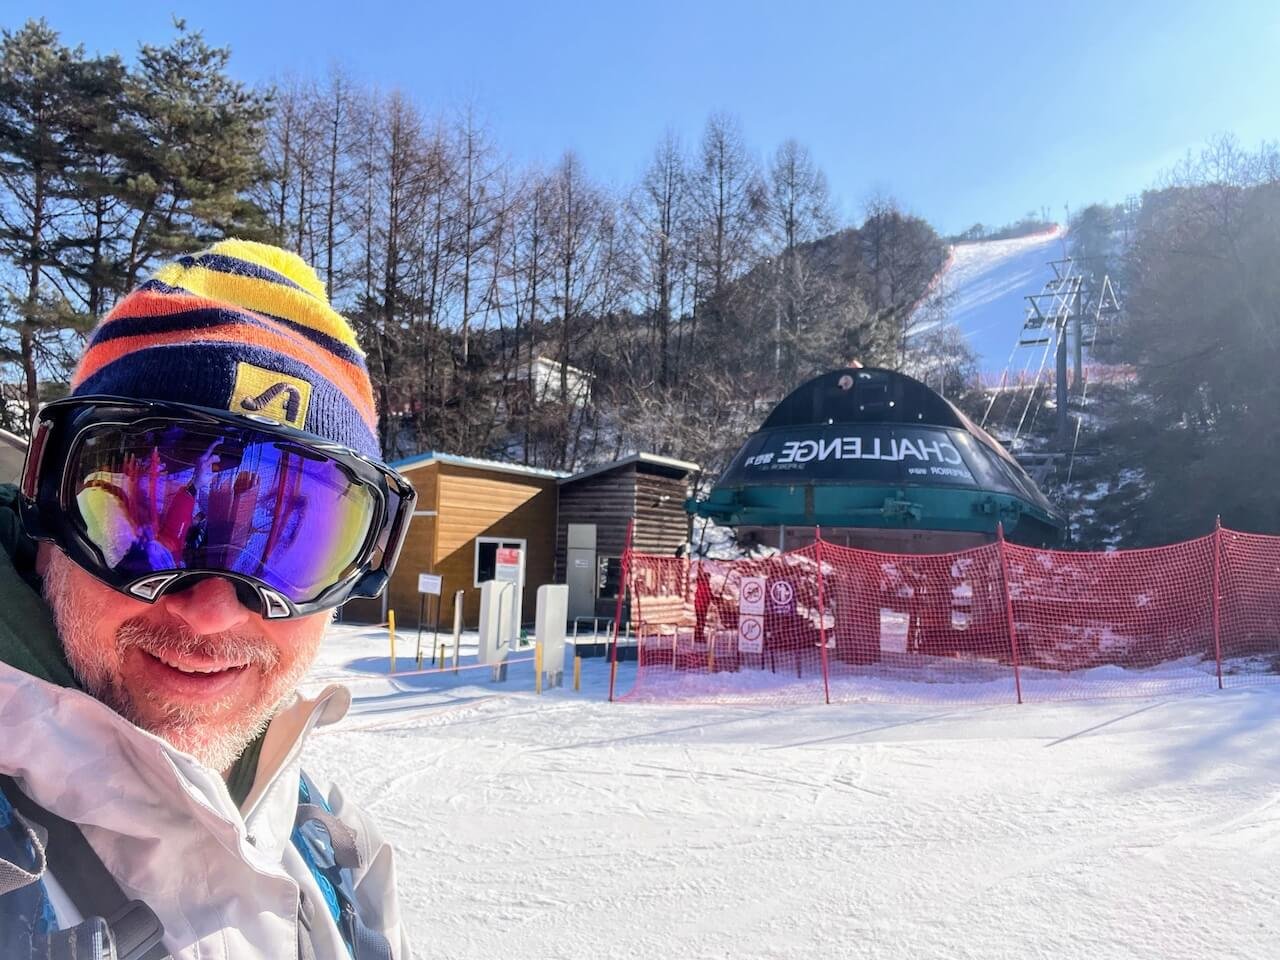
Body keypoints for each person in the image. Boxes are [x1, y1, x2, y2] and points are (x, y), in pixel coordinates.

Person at [0, 240, 416, 959]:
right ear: (49, 508)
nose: (213, 610)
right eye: (144, 519)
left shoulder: (333, 856)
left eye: (290, 542)